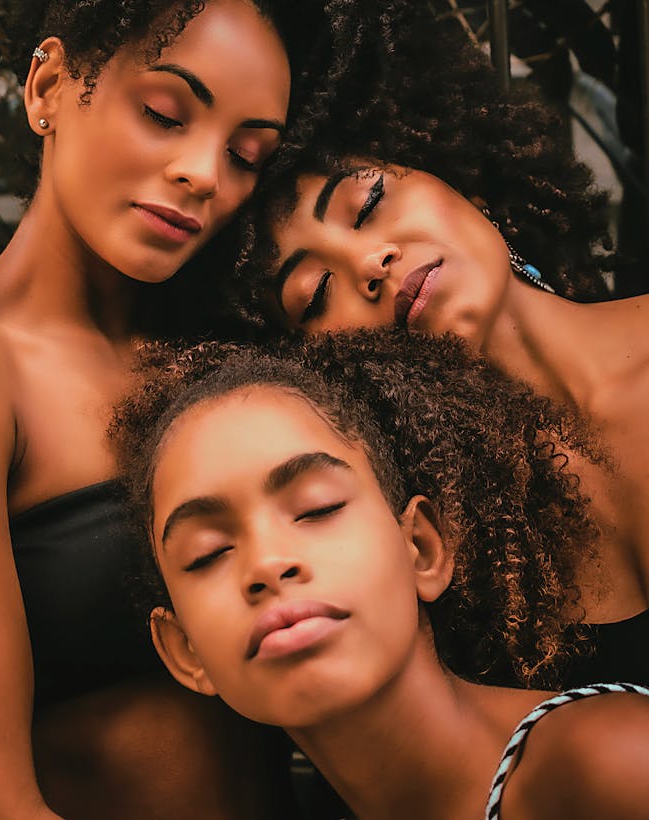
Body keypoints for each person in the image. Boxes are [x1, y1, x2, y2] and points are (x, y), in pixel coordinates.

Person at [0, 0, 452, 820]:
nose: (203, 174)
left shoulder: (236, 354)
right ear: (49, 85)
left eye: (249, 152)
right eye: (165, 111)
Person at [115, 332, 649, 820]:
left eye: (317, 509)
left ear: (421, 548)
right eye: (208, 553)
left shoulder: (612, 765)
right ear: (184, 650)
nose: (267, 564)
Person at [236, 154, 649, 686]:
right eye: (316, 293)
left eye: (368, 205)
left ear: (465, 184)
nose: (368, 261)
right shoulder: (433, 547)